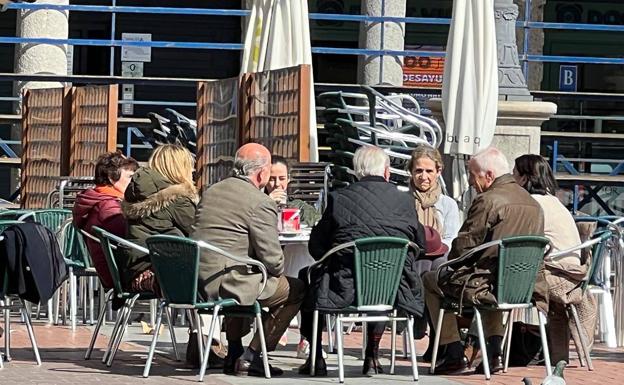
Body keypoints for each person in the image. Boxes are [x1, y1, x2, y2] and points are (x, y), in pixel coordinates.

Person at [300, 145, 426, 376]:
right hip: (393, 287)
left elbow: (316, 247)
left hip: (344, 285)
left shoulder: (339, 199)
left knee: (307, 276)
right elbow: (421, 245)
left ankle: (316, 356)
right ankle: (372, 356)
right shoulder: (405, 201)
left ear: (356, 171)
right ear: (387, 172)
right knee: (380, 278)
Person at [423, 146, 544, 375]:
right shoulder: (533, 204)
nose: (470, 181)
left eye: (472, 175)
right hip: (524, 287)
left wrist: (451, 264)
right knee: (494, 277)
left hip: (486, 283)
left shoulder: (488, 200)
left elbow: (463, 246)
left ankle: (452, 351)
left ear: (489, 175)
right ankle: (495, 351)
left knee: (431, 279)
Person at [194, 143, 305, 377]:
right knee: (296, 289)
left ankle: (234, 351)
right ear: (262, 173)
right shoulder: (260, 202)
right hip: (230, 284)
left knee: (242, 272)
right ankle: (253, 355)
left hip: (198, 281)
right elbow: (274, 263)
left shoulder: (211, 191)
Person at [513, 154, 596, 364]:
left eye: (514, 174)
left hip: (556, 277)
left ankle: (488, 352)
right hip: (573, 277)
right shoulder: (555, 202)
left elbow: (518, 243)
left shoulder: (533, 204)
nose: (512, 179)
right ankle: (558, 358)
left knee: (498, 284)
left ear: (524, 178)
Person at [72, 152, 138, 289]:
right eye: (130, 177)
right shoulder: (108, 206)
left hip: (112, 270)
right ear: (112, 178)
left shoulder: (99, 200)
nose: (134, 182)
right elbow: (129, 238)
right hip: (121, 275)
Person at [407, 145, 460, 273]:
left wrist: (434, 247)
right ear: (411, 172)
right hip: (411, 254)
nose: (423, 177)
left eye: (429, 171)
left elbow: (451, 238)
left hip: (439, 256)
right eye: (418, 171)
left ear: (438, 172)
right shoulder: (403, 201)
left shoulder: (448, 204)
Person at [265, 155, 321, 227]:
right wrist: (267, 204)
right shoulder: (256, 205)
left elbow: (318, 222)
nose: (277, 184)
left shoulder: (299, 207)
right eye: (272, 179)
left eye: (282, 178)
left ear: (288, 179)